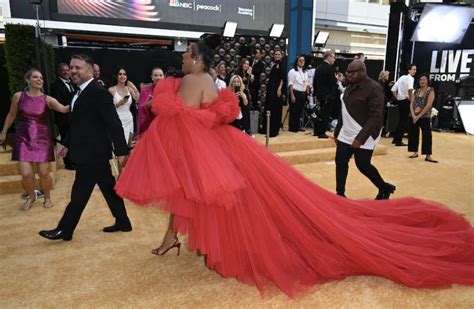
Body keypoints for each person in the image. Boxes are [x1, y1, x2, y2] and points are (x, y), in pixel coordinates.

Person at [115, 36, 474, 297]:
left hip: (209, 153)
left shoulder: (191, 81)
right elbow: (214, 115)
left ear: (198, 59)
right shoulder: (208, 80)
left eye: (189, 53)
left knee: (206, 199)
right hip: (225, 149)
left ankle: (197, 246)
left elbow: (183, 121)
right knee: (213, 200)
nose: (185, 58)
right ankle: (179, 241)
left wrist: (165, 103)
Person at [39, 54, 131, 241]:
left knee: (79, 193)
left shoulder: (98, 93)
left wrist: (122, 151)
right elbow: (77, 123)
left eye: (78, 68)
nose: (73, 70)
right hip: (86, 150)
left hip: (93, 153)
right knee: (108, 187)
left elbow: (113, 123)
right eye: (72, 67)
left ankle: (65, 229)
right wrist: (66, 143)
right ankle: (123, 221)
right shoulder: (78, 92)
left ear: (90, 71)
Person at [0, 69, 70, 210]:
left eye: (41, 78)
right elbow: (11, 115)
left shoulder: (47, 99)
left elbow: (64, 109)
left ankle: (47, 198)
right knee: (26, 173)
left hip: (42, 140)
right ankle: (31, 197)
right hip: (23, 139)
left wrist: (80, 99)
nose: (39, 79)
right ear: (28, 80)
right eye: (35, 77)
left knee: (44, 173)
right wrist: (4, 132)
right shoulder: (18, 96)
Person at [334, 60, 395, 199]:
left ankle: (384, 187)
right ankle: (340, 195)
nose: (348, 75)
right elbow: (344, 110)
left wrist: (360, 138)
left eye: (352, 72)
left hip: (366, 132)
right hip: (347, 131)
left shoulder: (374, 88)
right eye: (348, 72)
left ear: (363, 71)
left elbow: (375, 117)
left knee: (362, 164)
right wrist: (337, 131)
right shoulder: (349, 86)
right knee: (341, 161)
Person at [50, 63, 75, 170]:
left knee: (73, 140)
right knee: (65, 140)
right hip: (63, 119)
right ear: (58, 72)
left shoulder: (73, 83)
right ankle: (68, 163)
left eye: (67, 70)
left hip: (73, 118)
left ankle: (74, 161)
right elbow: (59, 102)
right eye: (63, 70)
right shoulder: (55, 85)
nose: (66, 72)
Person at [408, 73, 438, 163]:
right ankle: (415, 152)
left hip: (424, 116)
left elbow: (429, 105)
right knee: (413, 133)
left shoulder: (430, 90)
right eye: (421, 80)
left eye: (424, 80)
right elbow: (411, 103)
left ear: (427, 81)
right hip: (414, 116)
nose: (422, 81)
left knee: (427, 135)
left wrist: (419, 116)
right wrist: (413, 115)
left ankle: (428, 155)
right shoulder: (416, 91)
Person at [108, 66, 139, 145]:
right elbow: (107, 107)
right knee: (118, 144)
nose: (122, 76)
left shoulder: (129, 89)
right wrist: (119, 104)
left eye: (124, 74)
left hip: (128, 118)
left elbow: (139, 99)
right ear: (116, 76)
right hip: (117, 118)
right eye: (120, 74)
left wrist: (134, 87)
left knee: (128, 145)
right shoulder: (111, 89)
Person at [313, 51, 337, 138]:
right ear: (329, 57)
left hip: (319, 95)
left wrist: (315, 94)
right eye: (333, 57)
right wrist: (336, 79)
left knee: (319, 113)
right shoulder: (330, 68)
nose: (334, 59)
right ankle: (322, 132)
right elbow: (332, 82)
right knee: (325, 114)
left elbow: (315, 82)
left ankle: (317, 131)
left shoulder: (318, 67)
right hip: (328, 95)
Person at [391, 64, 417, 146]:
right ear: (409, 70)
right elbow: (410, 89)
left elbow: (393, 89)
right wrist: (411, 99)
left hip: (400, 101)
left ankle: (395, 139)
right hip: (406, 102)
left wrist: (398, 98)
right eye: (413, 69)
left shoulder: (402, 77)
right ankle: (398, 141)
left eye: (415, 69)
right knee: (404, 122)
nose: (415, 71)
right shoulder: (410, 79)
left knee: (400, 121)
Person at [262, 50, 285, 137]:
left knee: (275, 109)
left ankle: (274, 130)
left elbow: (282, 78)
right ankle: (267, 128)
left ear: (281, 56)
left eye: (279, 54)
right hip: (271, 89)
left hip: (276, 89)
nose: (277, 55)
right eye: (276, 54)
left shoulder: (282, 65)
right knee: (269, 107)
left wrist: (279, 89)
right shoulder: (274, 65)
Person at [137, 67, 165, 135]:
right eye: (156, 75)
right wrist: (150, 103)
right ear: (152, 77)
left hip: (164, 124)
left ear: (164, 77)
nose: (158, 77)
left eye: (161, 75)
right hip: (150, 124)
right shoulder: (145, 90)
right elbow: (141, 109)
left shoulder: (168, 90)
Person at [288, 55, 309, 132]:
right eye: (300, 60)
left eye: (303, 60)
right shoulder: (292, 71)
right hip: (295, 92)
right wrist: (292, 95)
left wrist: (307, 92)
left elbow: (306, 82)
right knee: (294, 110)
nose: (302, 62)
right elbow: (290, 84)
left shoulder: (305, 72)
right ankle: (292, 127)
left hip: (302, 93)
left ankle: (297, 126)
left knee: (300, 111)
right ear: (297, 62)